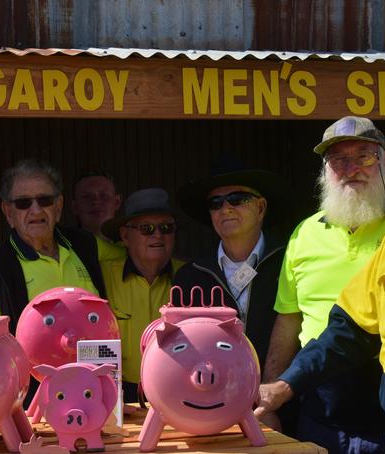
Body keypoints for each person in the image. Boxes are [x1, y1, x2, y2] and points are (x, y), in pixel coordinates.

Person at [256, 95, 385, 454]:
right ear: (326, 171)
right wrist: (279, 389)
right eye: (339, 160)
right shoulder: (307, 233)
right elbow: (305, 322)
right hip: (324, 409)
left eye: (364, 156)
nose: (351, 169)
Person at [0, 158, 110, 333]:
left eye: (45, 200)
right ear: (8, 213)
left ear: (58, 207)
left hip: (95, 360)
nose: (36, 210)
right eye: (23, 203)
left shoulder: (87, 246)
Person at [173, 155, 285, 376]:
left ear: (261, 208)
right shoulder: (191, 274)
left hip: (282, 397)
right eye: (215, 203)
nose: (225, 208)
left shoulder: (289, 262)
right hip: (212, 397)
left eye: (237, 199)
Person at [100, 188, 184, 403]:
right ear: (125, 236)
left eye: (166, 228)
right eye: (147, 229)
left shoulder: (189, 276)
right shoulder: (100, 277)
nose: (158, 235)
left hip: (178, 391)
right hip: (117, 394)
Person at [71, 169, 122, 239]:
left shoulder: (132, 247)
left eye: (104, 195)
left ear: (117, 202)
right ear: (75, 207)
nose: (96, 201)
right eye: (87, 197)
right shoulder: (57, 248)